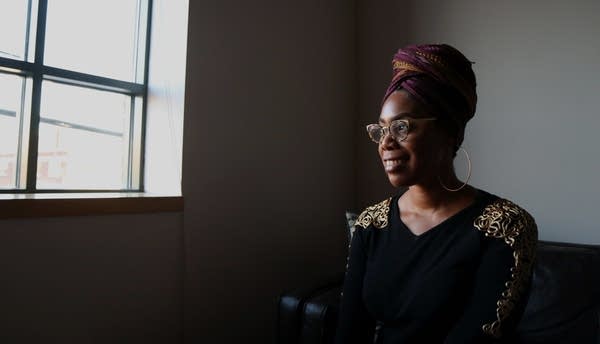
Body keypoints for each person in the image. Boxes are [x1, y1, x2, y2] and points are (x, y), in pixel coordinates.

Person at [334, 44, 538, 343]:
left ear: (450, 131)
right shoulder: (370, 225)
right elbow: (350, 331)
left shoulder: (506, 227)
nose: (385, 143)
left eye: (402, 127)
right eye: (381, 130)